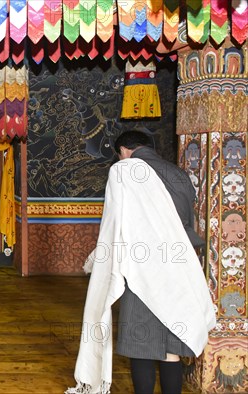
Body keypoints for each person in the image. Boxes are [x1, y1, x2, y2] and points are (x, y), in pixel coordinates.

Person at [66, 130, 216, 394]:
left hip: (142, 268)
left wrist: (103, 262)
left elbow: (114, 224)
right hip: (179, 266)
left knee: (142, 346)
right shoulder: (178, 173)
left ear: (123, 150)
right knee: (171, 348)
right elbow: (188, 224)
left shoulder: (123, 171)